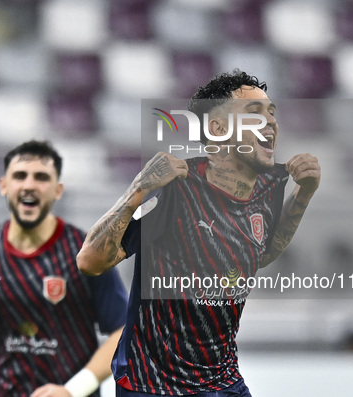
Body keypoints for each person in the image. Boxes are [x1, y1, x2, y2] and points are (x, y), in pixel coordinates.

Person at [77, 70, 321, 396]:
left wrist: (302, 196)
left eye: (272, 113)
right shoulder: (175, 190)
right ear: (218, 129)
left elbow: (260, 253)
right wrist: (138, 189)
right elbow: (89, 261)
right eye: (254, 114)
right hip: (154, 385)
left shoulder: (269, 188)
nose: (271, 122)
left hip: (223, 381)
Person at [0, 140, 128, 397]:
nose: (29, 185)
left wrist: (72, 390)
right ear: (3, 185)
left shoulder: (87, 254)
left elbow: (123, 331)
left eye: (41, 177)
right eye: (20, 176)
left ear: (58, 190)